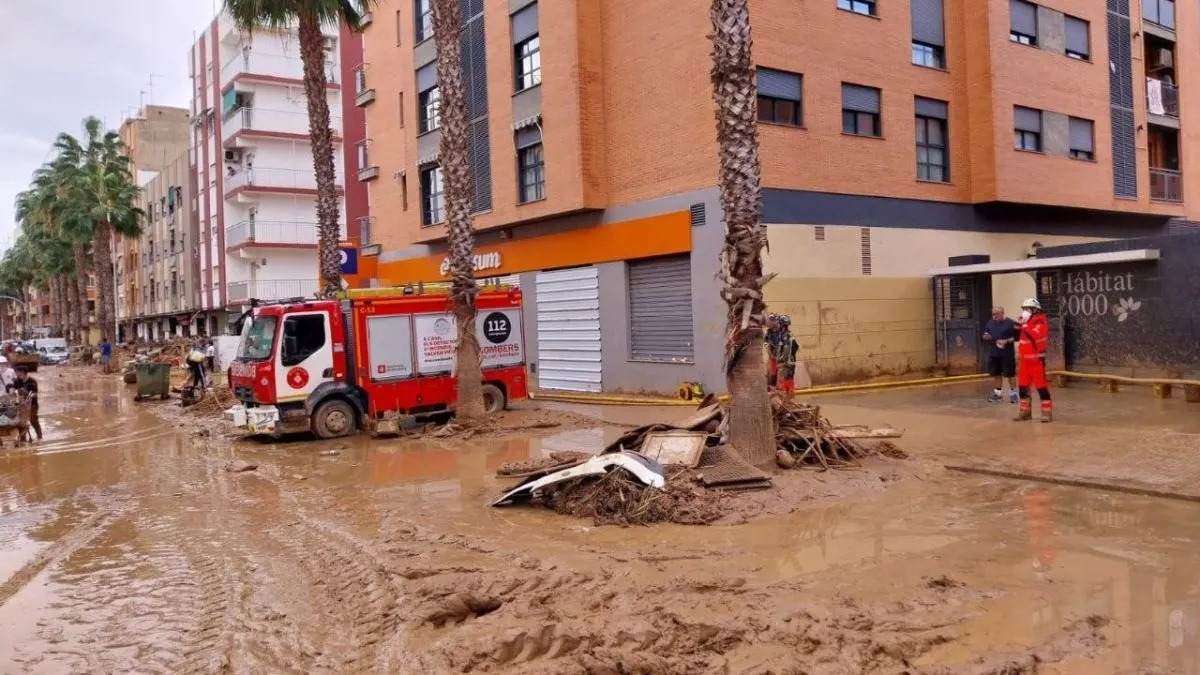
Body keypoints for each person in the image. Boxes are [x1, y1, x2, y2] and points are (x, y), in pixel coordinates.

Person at [1014, 298, 1052, 422]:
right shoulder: (1027, 322)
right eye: (1024, 309)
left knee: (1041, 386)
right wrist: (1017, 325)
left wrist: (1024, 325)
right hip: (1024, 360)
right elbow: (1016, 336)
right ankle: (1025, 412)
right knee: (1023, 386)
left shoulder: (1040, 321)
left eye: (1027, 309)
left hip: (1036, 360)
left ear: (1035, 309)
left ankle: (1046, 413)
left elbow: (1034, 335)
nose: (1025, 311)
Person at [982, 307, 1018, 403]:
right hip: (994, 353)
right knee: (996, 374)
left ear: (1002, 313)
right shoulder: (990, 322)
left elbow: (1017, 337)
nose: (994, 316)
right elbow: (986, 333)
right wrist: (986, 336)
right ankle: (997, 394)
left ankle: (1013, 394)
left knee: (1010, 374)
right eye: (993, 314)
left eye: (997, 314)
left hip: (1007, 354)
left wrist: (1006, 341)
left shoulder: (1010, 323)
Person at [769, 315, 800, 396]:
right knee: (789, 382)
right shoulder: (788, 334)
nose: (778, 325)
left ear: (782, 324)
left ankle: (784, 403)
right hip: (790, 362)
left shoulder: (785, 335)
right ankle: (790, 401)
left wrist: (781, 358)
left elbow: (786, 348)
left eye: (779, 323)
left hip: (784, 363)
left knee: (781, 384)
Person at [8, 366, 41, 441]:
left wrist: (29, 396)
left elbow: (35, 394)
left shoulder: (32, 382)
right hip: (20, 406)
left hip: (32, 404)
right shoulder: (17, 381)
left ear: (23, 373)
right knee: (21, 422)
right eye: (16, 373)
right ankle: (23, 439)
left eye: (18, 373)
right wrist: (12, 392)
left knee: (33, 420)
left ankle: (39, 436)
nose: (17, 375)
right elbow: (13, 390)